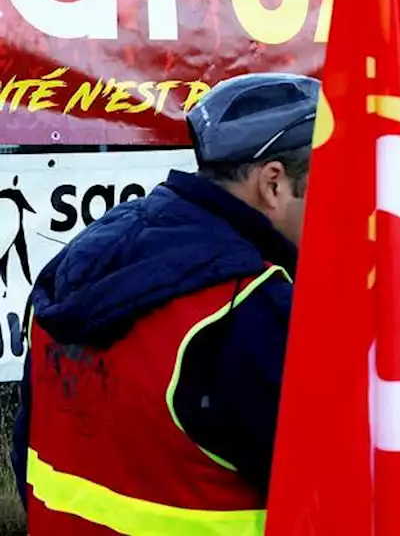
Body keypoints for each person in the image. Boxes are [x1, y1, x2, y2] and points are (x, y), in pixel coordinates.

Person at [12, 73, 317, 533]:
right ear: (273, 182)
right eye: (330, 186)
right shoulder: (247, 311)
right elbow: (327, 494)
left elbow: (27, 443)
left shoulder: (79, 257)